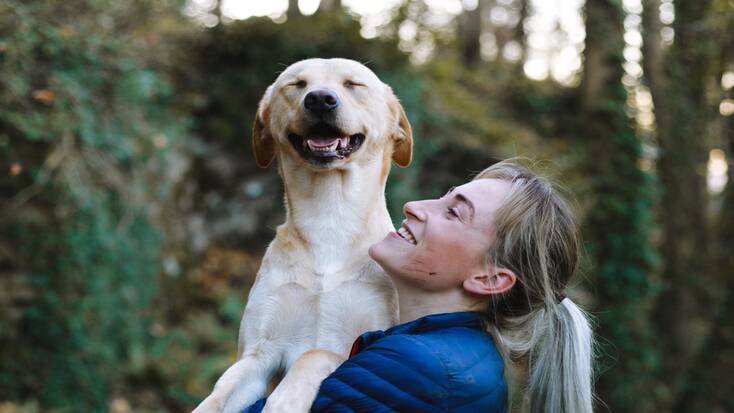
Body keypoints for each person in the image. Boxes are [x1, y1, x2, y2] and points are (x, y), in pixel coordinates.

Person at [243, 159, 594, 413]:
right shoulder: (460, 358)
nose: (414, 207)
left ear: (488, 279)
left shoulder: (415, 367)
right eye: (444, 197)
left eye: (453, 213)